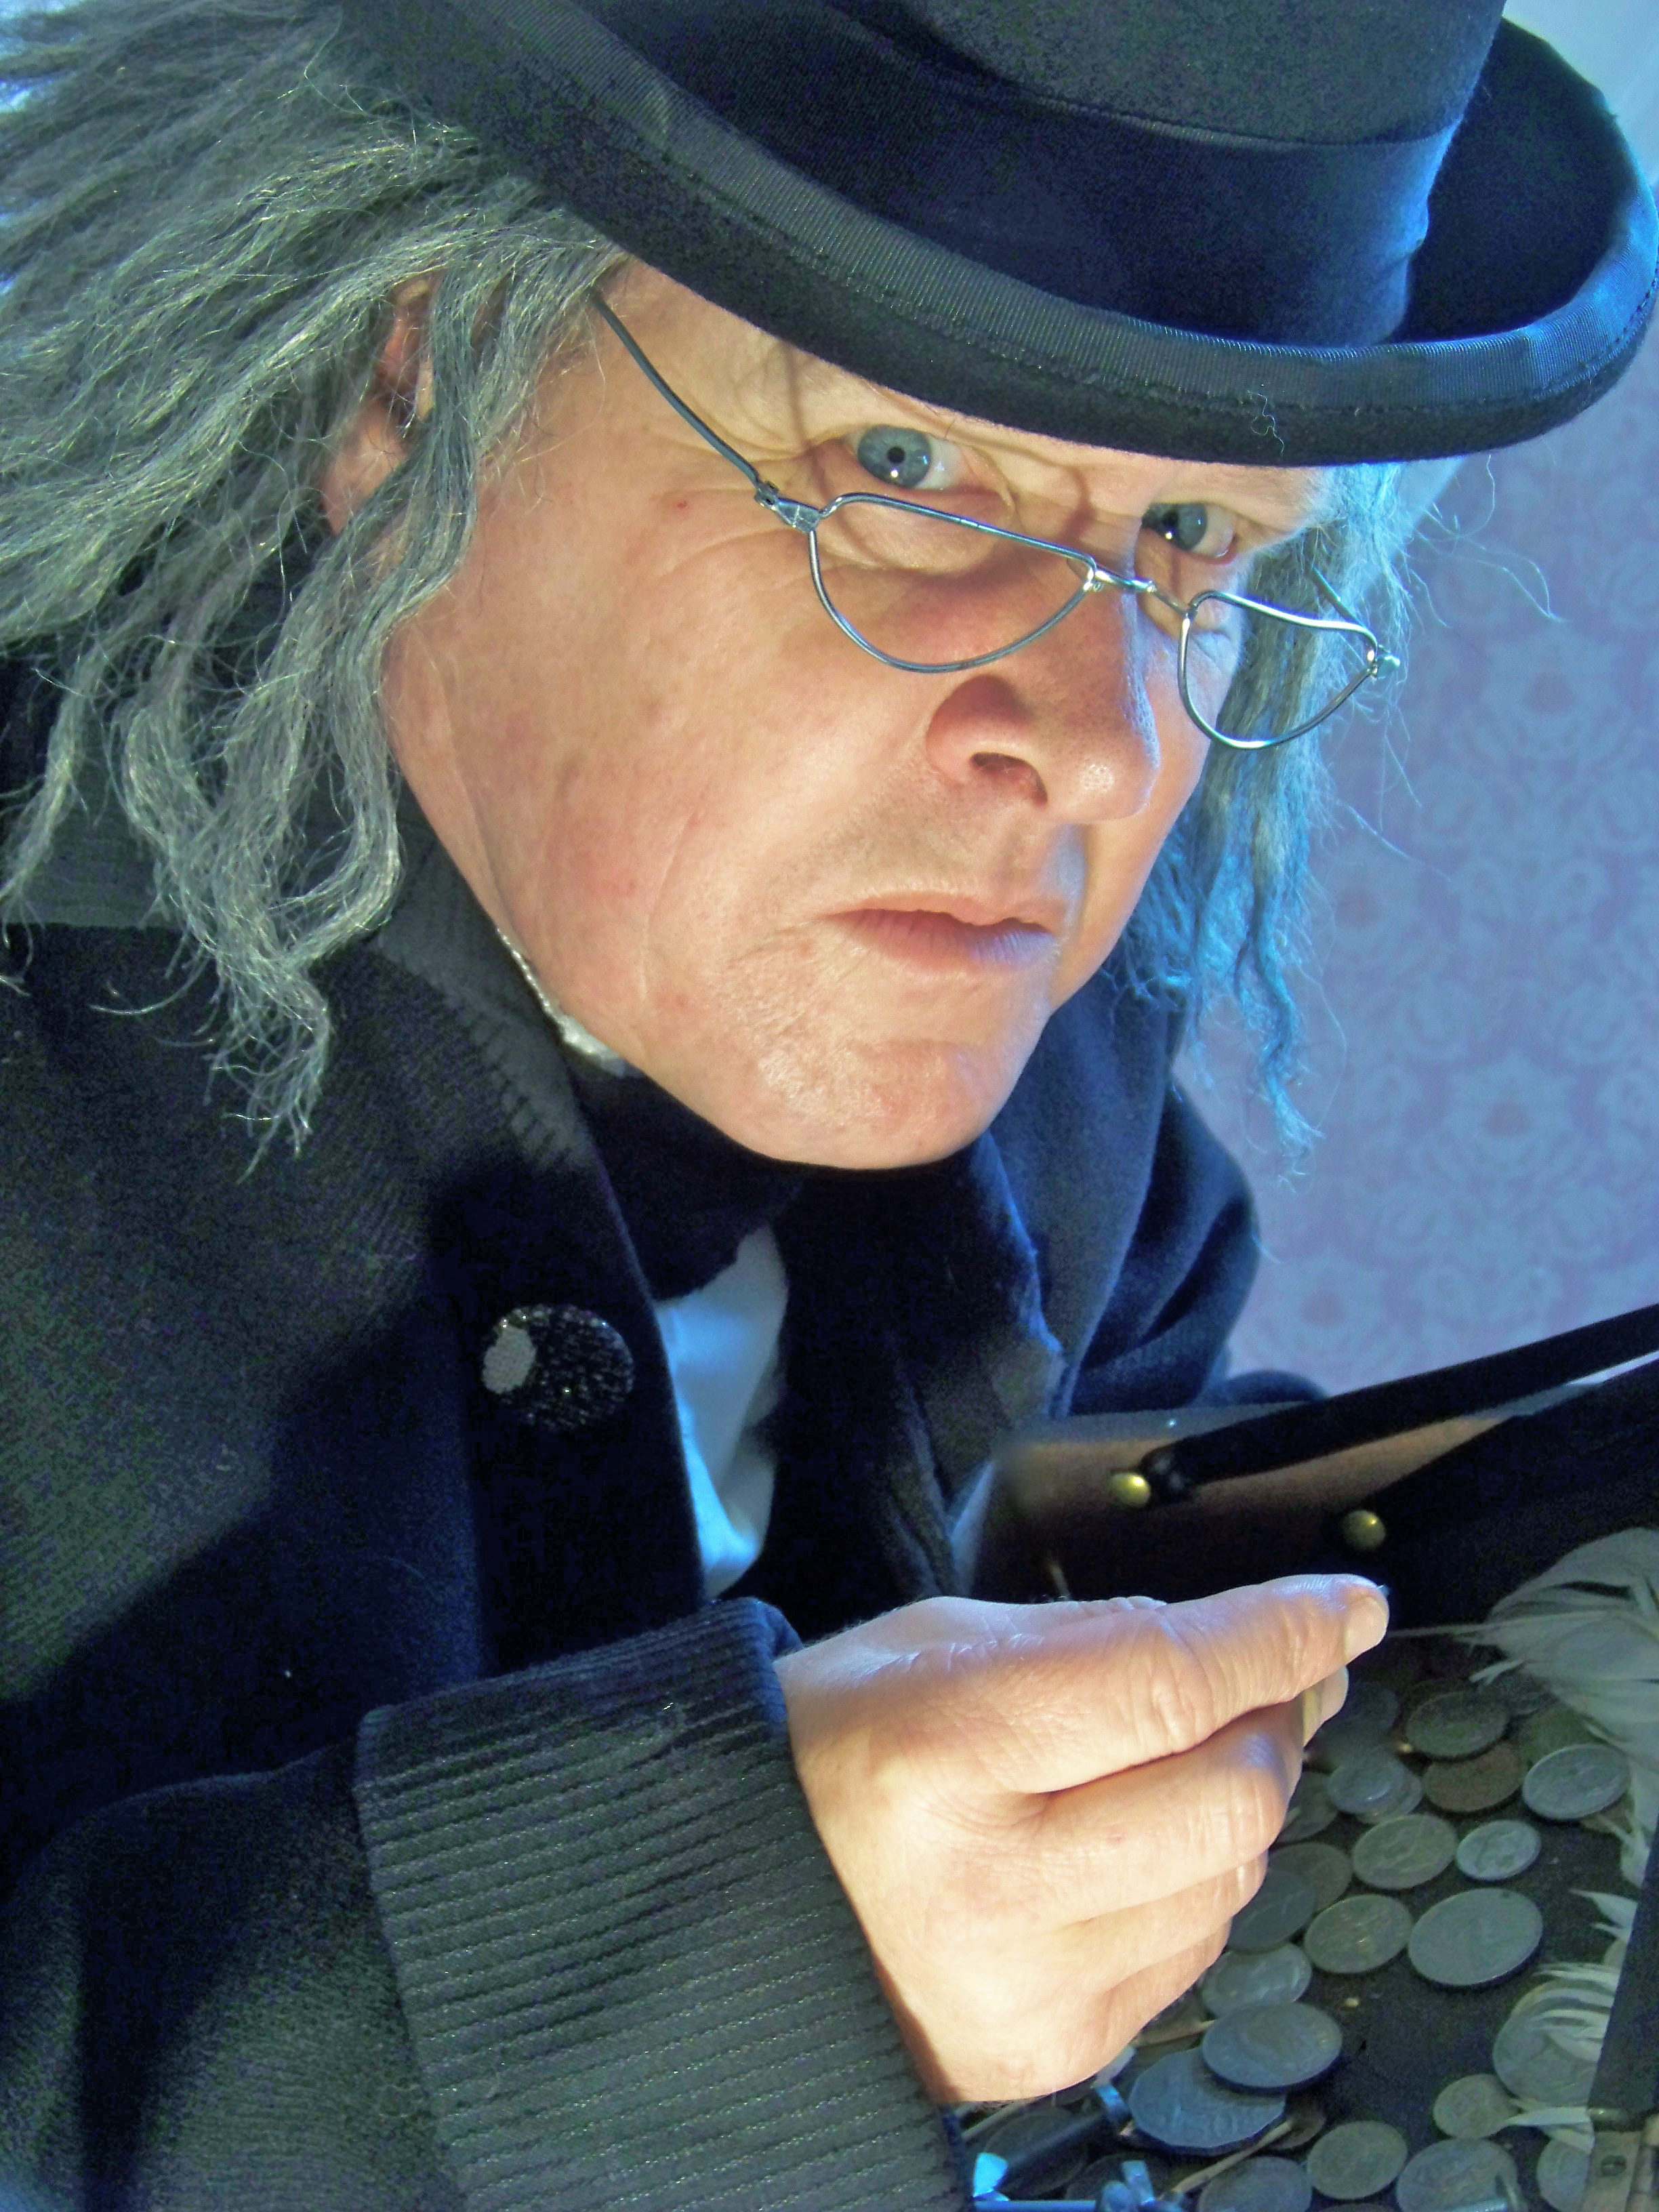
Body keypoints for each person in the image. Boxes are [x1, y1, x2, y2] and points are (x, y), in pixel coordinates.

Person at [0, 0, 1651, 2204]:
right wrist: (704, 1962)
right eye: (906, 473)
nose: (1094, 740)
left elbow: (1098, 1509)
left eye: (1189, 535)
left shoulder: (1070, 1081)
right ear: (416, 384)